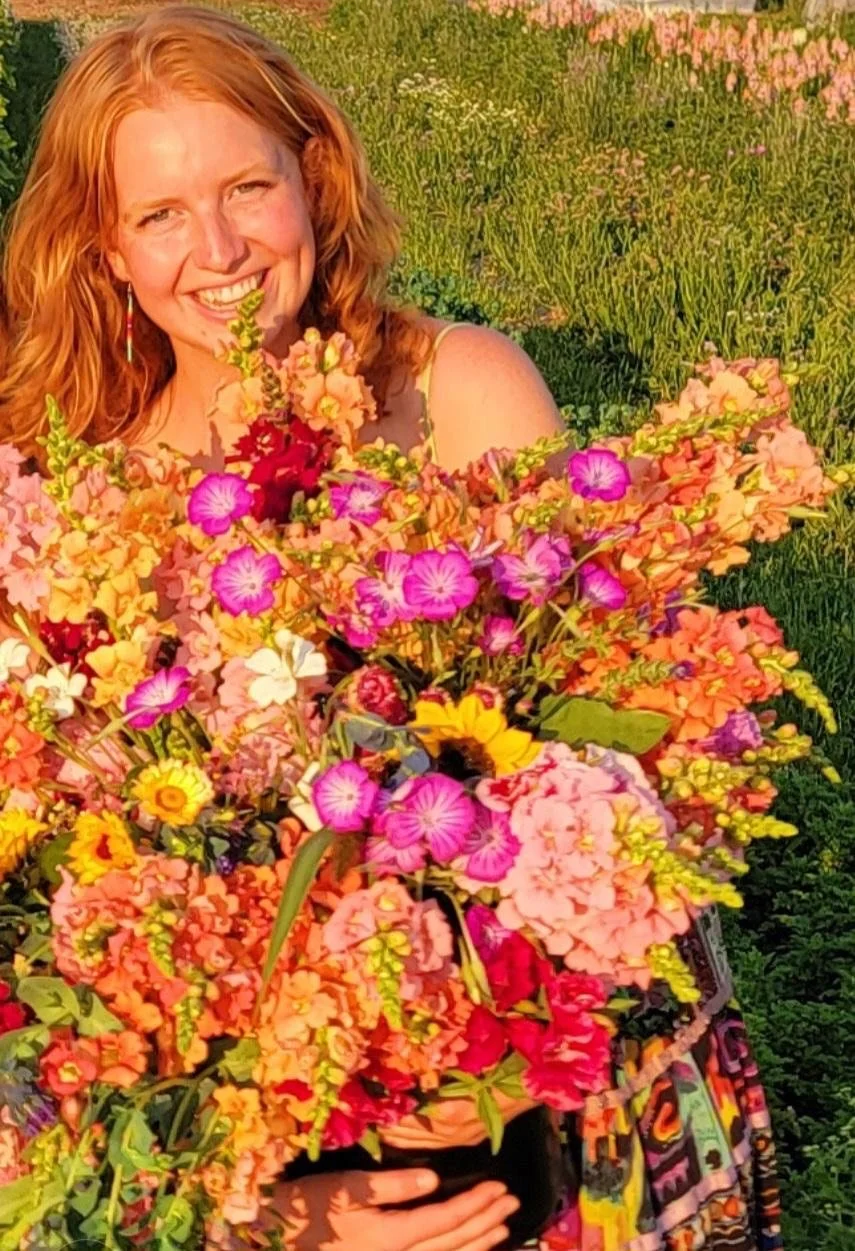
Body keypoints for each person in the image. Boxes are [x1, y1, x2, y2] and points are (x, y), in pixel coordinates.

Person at [0, 8, 783, 1251]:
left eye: (248, 187)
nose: (217, 251)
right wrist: (249, 1206)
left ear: (314, 181)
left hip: (521, 1094)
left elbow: (625, 772)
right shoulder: (73, 501)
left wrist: (484, 1062)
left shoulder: (459, 389)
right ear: (104, 251)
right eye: (157, 215)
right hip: (268, 1142)